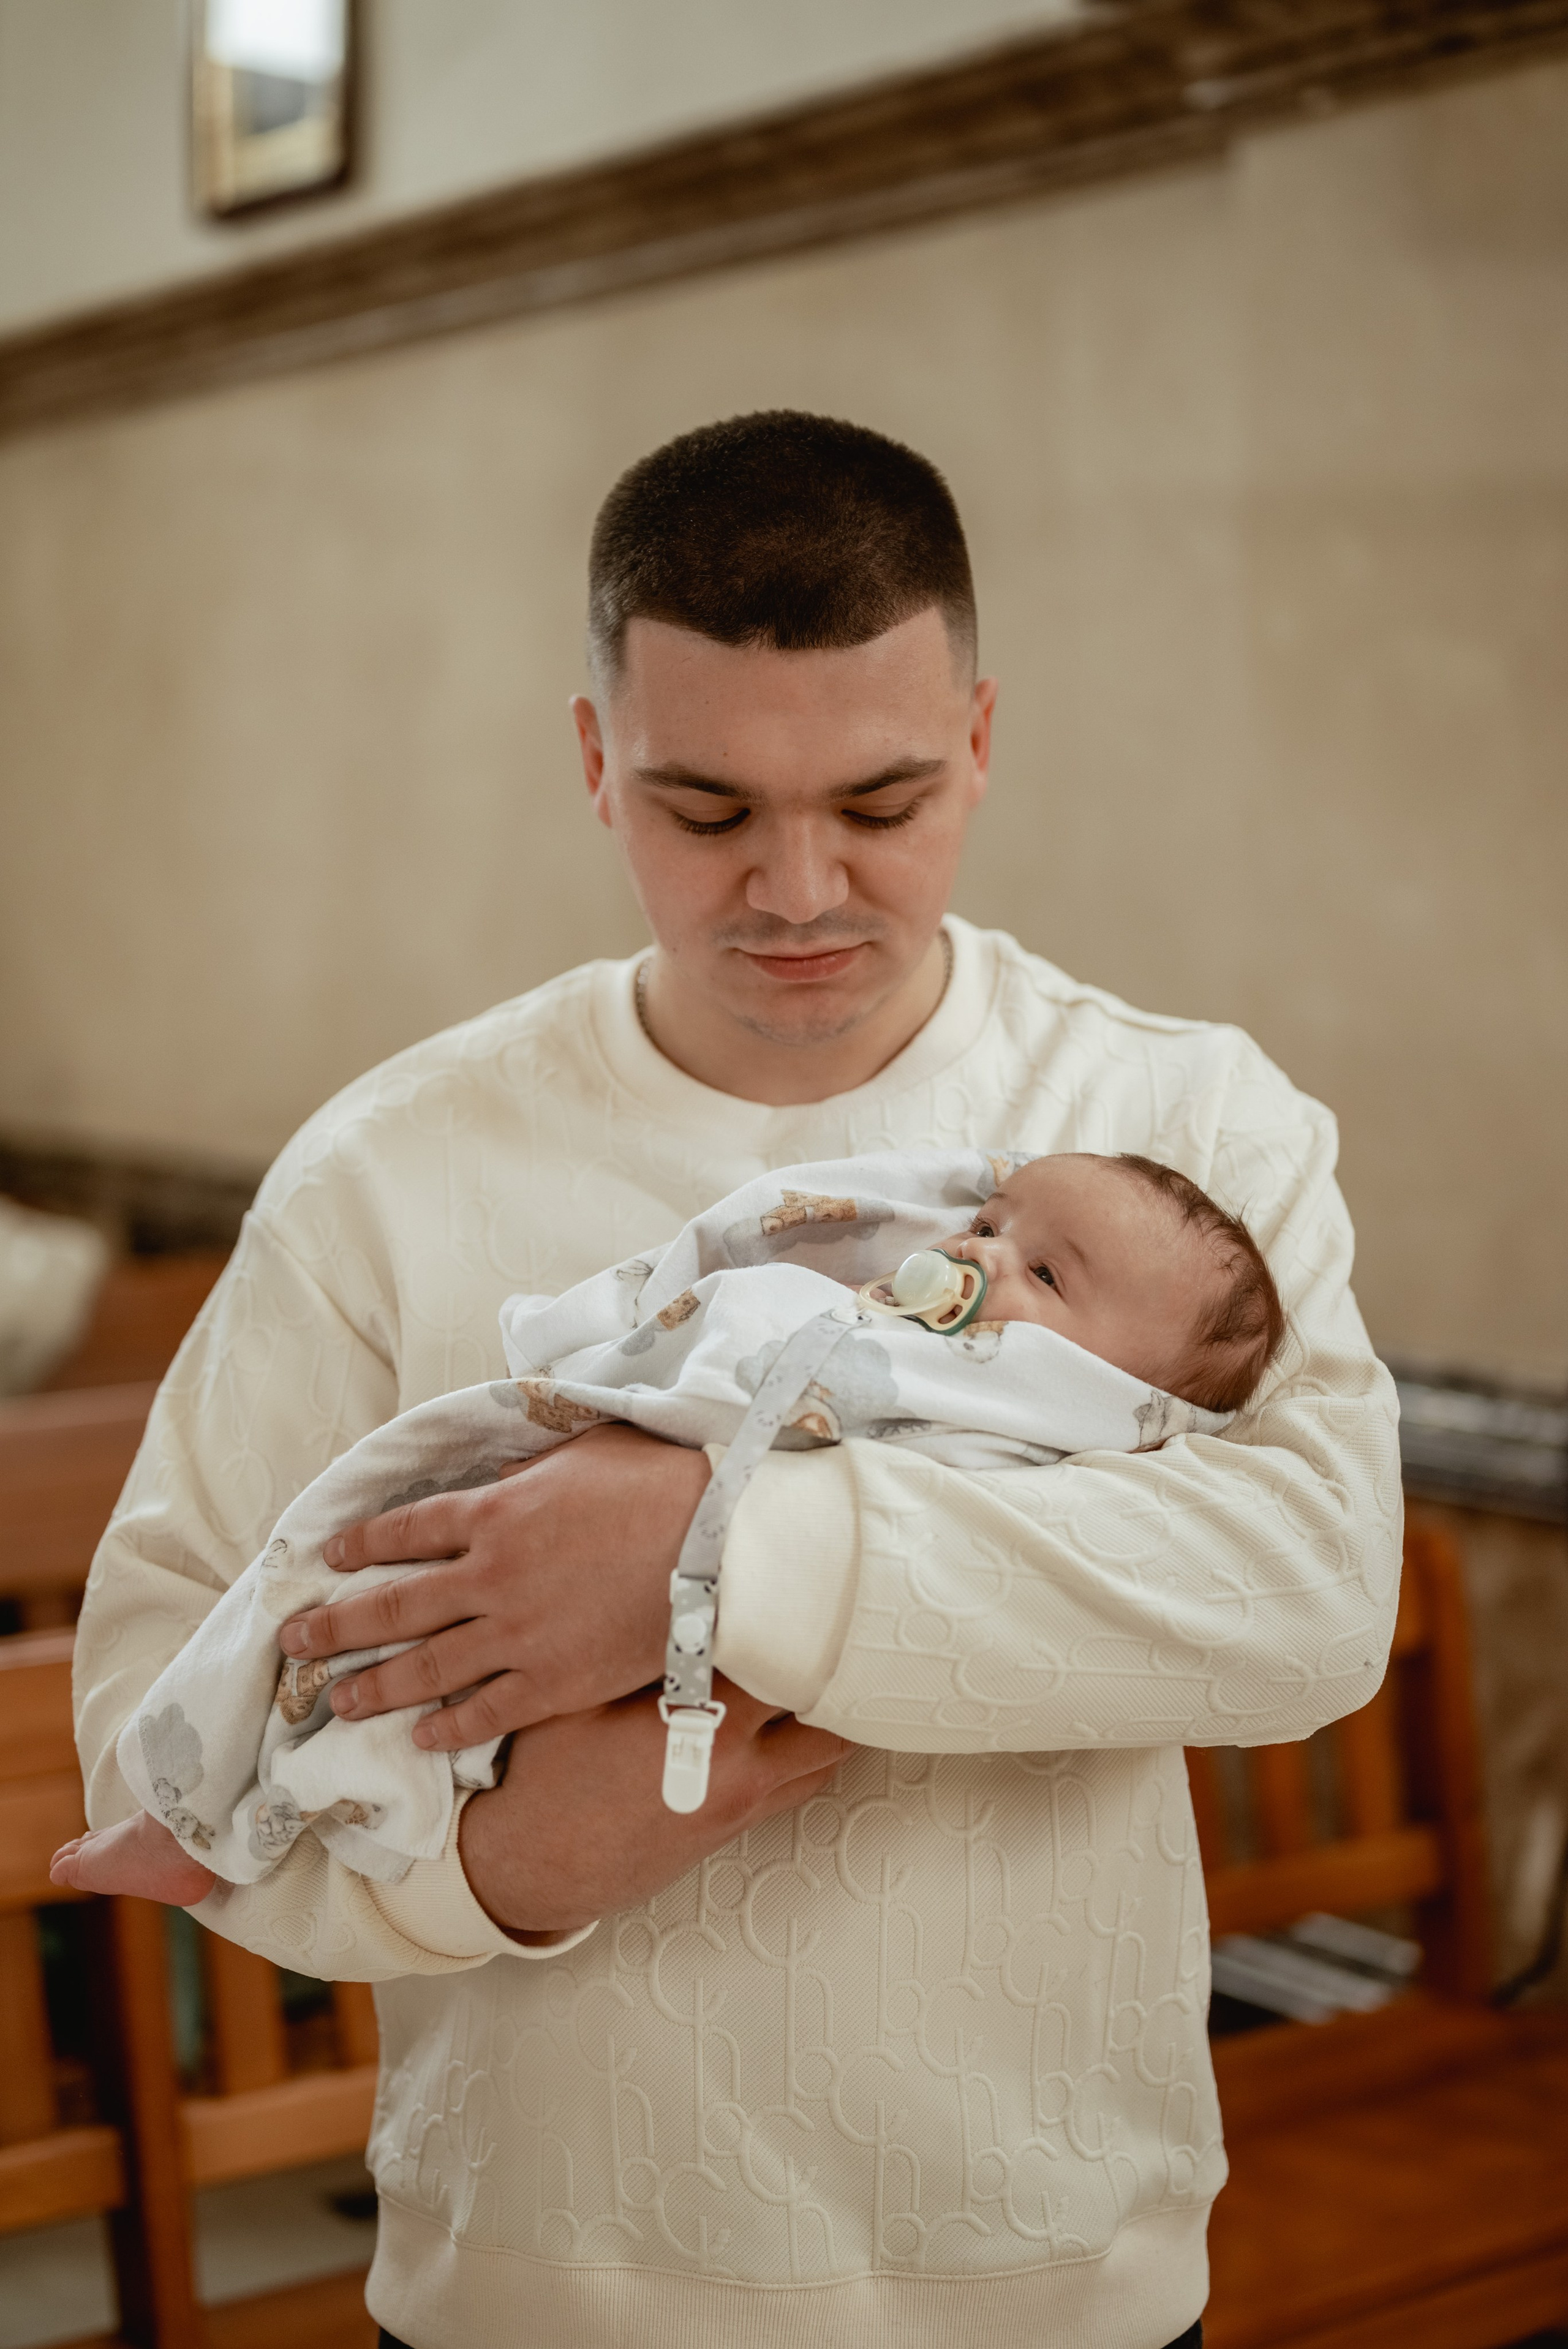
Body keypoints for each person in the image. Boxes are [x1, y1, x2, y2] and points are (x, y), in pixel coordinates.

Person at [73, 410, 1400, 2349]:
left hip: (1066, 2294)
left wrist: (710, 1551)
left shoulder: (1188, 1118)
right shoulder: (390, 1165)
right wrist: (502, 1866)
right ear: (598, 760)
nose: (799, 888)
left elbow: (1311, 1595)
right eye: (707, 810)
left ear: (982, 741)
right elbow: (149, 1711)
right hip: (534, 2297)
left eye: (884, 801)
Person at [55, 1146, 1284, 1908]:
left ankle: (246, 1817)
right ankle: (198, 1818)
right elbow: (730, 1315)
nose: (976, 1254)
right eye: (991, 1224)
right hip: (561, 1494)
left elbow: (1278, 1605)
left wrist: (706, 1527)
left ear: (1128, 1400)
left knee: (413, 1679)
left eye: (1048, 1275)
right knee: (342, 1568)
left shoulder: (1047, 1442)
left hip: (688, 1700)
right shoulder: (367, 1172)